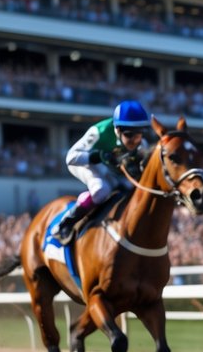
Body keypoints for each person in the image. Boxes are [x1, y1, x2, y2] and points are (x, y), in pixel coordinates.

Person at [55, 100, 150, 245]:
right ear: (117, 130)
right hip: (84, 163)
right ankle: (66, 223)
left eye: (138, 135)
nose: (134, 141)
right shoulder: (99, 132)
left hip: (107, 168)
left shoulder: (141, 145)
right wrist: (98, 156)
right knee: (101, 190)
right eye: (129, 135)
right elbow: (70, 157)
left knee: (130, 189)